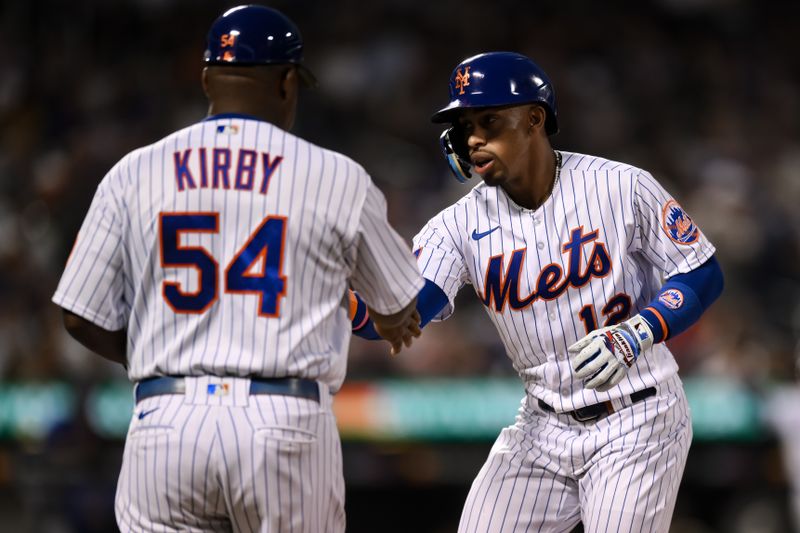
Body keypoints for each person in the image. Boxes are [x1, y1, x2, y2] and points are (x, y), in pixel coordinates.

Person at [52, 5, 423, 532]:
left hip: (166, 419)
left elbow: (77, 315)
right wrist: (389, 319)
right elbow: (398, 303)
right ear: (288, 82)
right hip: (283, 421)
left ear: (207, 78)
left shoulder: (133, 172)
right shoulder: (336, 176)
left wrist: (164, 354)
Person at [350, 51, 724, 532]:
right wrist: (339, 292)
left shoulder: (620, 186)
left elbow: (703, 271)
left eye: (488, 120)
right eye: (464, 127)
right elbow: (396, 314)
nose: (474, 138)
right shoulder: (456, 225)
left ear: (534, 119)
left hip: (639, 415)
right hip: (540, 425)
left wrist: (638, 332)